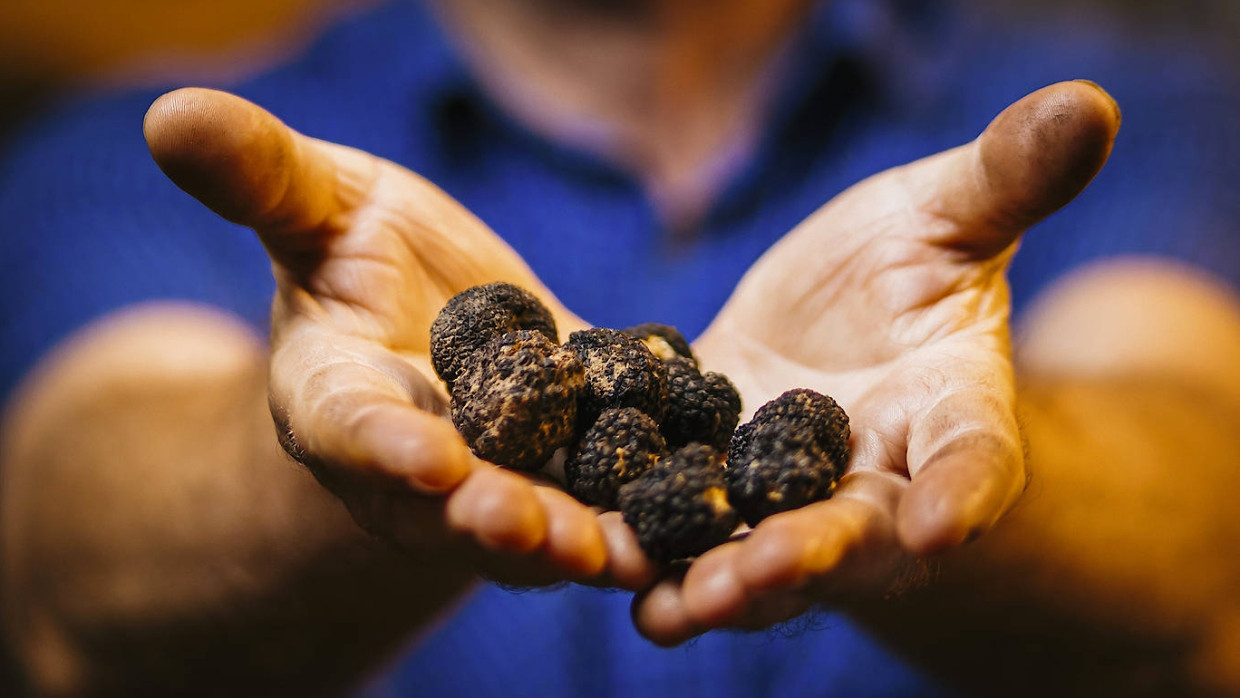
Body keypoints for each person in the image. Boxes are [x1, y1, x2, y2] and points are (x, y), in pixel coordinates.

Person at [1, 0, 1238, 695]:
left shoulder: (1151, 103)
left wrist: (967, 453)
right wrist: (361, 448)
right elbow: (75, 589)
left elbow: (1201, 549)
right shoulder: (133, 150)